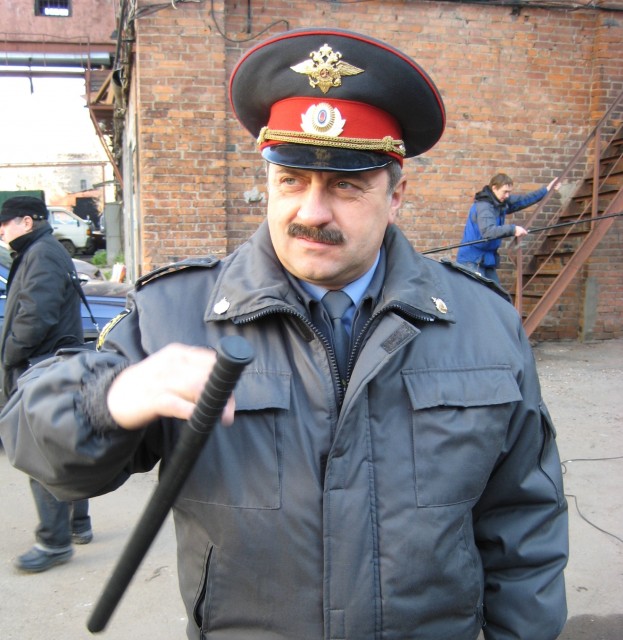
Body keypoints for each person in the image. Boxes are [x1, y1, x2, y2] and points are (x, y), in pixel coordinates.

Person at [0, 29, 567, 639]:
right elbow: (34, 441)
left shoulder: (483, 322)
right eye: (291, 179)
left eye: (346, 184)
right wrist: (106, 400)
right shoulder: (176, 314)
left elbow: (523, 520)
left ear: (396, 195)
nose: (311, 212)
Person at [0, 196, 93, 573]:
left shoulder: (41, 254)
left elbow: (36, 316)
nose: (1, 231)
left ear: (26, 221)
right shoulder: (42, 250)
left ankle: (54, 543)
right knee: (64, 446)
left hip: (43, 367)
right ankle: (78, 523)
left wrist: (10, 354)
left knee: (40, 453)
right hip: (53, 364)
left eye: (4, 223)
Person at [456, 173, 559, 284]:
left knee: (496, 293)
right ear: (494, 188)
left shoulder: (499, 203)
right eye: (505, 192)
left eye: (509, 192)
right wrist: (513, 229)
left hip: (486, 259)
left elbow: (523, 200)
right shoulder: (484, 206)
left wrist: (546, 190)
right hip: (472, 260)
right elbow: (488, 231)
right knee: (478, 294)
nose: (507, 196)